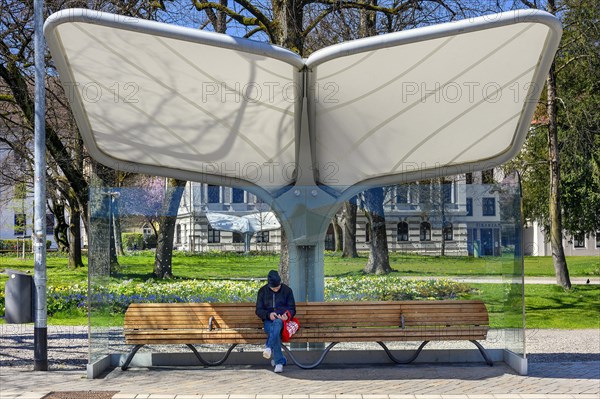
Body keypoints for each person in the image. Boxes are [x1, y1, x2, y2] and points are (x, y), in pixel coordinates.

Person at [255, 269, 295, 373]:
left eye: (278, 287)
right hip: (268, 321)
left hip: (282, 321)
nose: (276, 290)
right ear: (269, 285)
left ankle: (269, 348)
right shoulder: (262, 291)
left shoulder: (287, 290)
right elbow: (258, 310)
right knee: (275, 333)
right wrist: (268, 315)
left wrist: (287, 315)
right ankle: (280, 361)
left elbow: (292, 309)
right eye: (274, 288)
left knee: (277, 323)